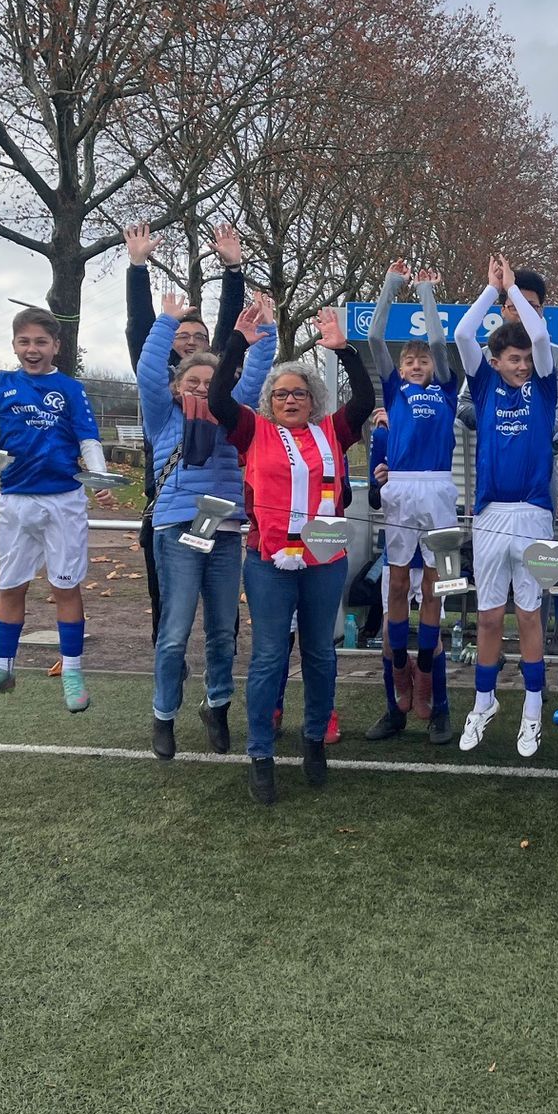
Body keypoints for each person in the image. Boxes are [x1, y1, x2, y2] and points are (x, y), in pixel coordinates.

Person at [209, 304, 375, 805]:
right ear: (270, 401)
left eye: (299, 393)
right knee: (269, 655)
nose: (290, 399)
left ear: (313, 399)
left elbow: (364, 399)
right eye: (281, 393)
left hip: (324, 561)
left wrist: (345, 350)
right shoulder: (252, 430)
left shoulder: (333, 431)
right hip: (269, 561)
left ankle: (314, 739)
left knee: (321, 653)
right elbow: (218, 399)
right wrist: (237, 344)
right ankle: (260, 753)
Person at [0, 308, 116, 711]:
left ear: (56, 346)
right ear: (14, 345)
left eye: (41, 342)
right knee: (10, 585)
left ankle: (72, 671)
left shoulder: (70, 389)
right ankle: (1, 668)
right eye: (24, 341)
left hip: (63, 501)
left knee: (65, 587)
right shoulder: (1, 384)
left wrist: (100, 480)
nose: (32, 349)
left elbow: (89, 440)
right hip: (15, 500)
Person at [137, 291, 276, 760]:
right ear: (177, 386)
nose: (200, 388)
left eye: (208, 382)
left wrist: (265, 331)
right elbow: (147, 372)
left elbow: (255, 374)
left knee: (222, 630)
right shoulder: (162, 415)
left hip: (226, 529)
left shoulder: (230, 415)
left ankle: (217, 705)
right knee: (175, 630)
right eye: (191, 381)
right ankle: (163, 714)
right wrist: (165, 322)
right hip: (177, 528)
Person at [123, 221, 247, 642]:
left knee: (222, 606)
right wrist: (137, 267)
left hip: (218, 501)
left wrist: (234, 272)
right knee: (167, 604)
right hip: (166, 503)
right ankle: (169, 667)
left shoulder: (219, 383)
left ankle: (221, 666)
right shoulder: (159, 384)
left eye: (199, 336)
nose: (191, 341)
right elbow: (141, 330)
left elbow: (232, 331)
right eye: (183, 335)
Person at [456, 256, 558, 755]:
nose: (521, 365)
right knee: (490, 617)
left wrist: (514, 289)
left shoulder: (543, 385)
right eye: (512, 359)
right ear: (495, 361)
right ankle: (484, 702)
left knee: (529, 615)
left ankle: (533, 709)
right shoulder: (483, 385)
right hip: (490, 514)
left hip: (534, 512)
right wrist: (490, 290)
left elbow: (539, 338)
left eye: (525, 359)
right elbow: (462, 334)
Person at [363, 262, 461, 745]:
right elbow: (375, 337)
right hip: (401, 487)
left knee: (435, 583)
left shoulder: (446, 388)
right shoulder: (394, 390)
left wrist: (425, 291)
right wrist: (390, 285)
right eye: (410, 361)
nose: (418, 364)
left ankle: (426, 673)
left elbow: (440, 342)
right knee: (397, 581)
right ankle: (400, 669)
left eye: (422, 360)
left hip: (438, 487)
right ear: (400, 369)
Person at [456, 267, 558, 447]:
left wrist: (531, 430)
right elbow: (463, 404)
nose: (522, 313)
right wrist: (496, 422)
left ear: (541, 310)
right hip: (492, 457)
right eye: (515, 307)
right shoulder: (486, 354)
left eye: (530, 306)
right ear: (502, 310)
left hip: (540, 457)